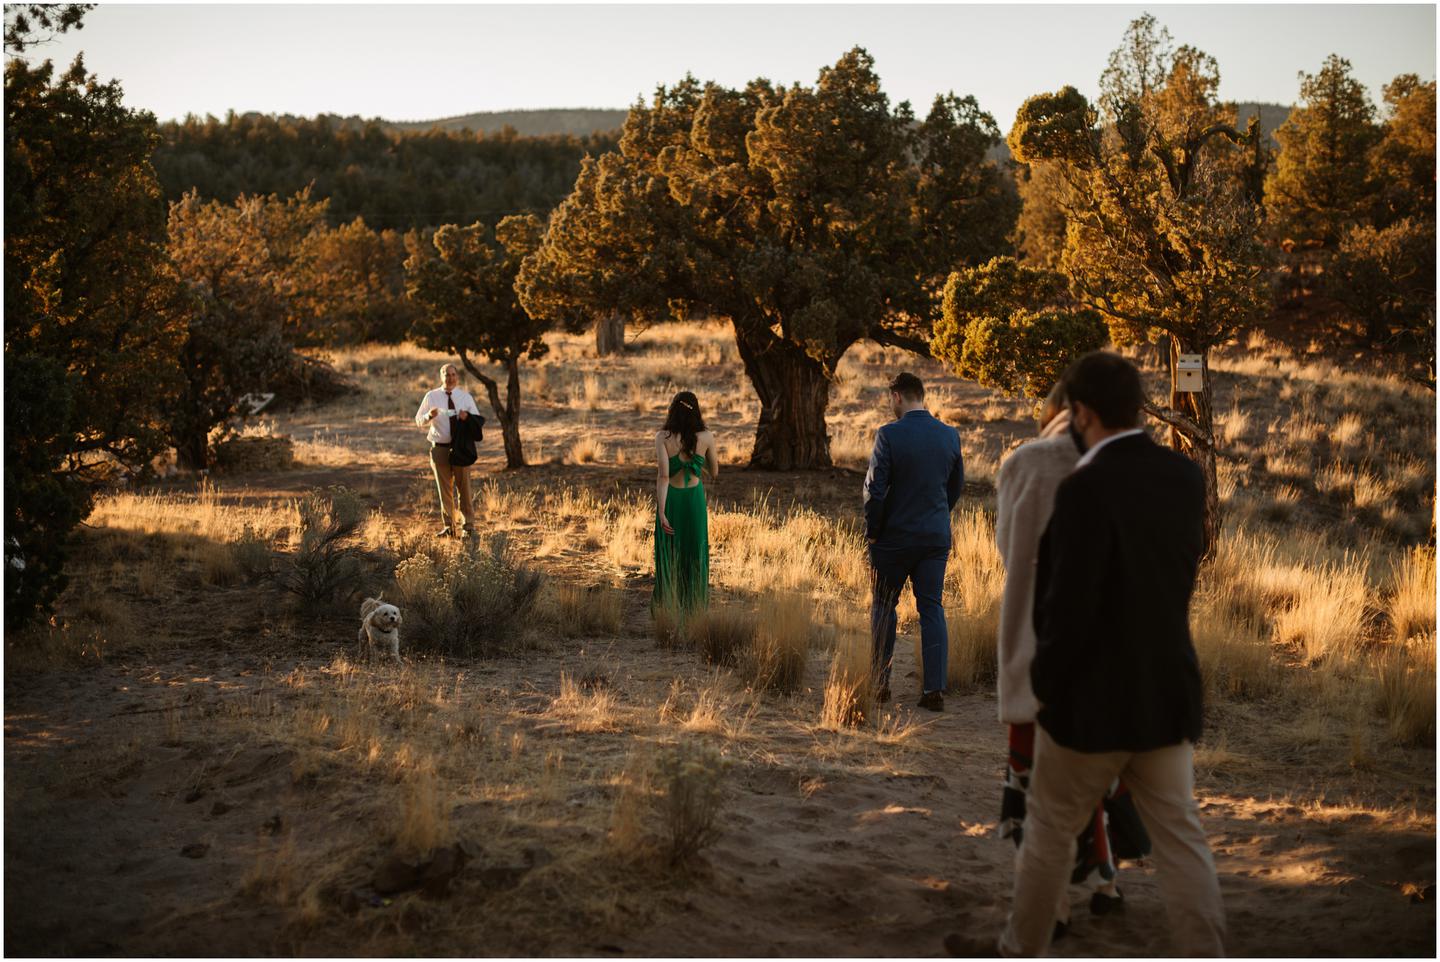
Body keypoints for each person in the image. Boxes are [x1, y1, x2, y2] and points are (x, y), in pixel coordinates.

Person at [948, 351, 1223, 957]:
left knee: (1047, 834)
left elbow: (1064, 607)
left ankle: (1022, 947)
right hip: (1165, 692)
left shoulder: (1081, 489)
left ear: (1083, 413)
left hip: (1089, 707)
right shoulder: (1185, 479)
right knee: (1183, 840)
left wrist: (1045, 684)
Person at [994, 381, 1141, 939]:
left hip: (1034, 648)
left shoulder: (1023, 463)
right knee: (1096, 777)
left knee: (1038, 788)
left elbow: (1008, 549)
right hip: (1104, 656)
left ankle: (1050, 907)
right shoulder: (1121, 466)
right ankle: (1105, 884)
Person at [863, 372, 964, 711]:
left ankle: (880, 684)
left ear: (896, 397)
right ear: (922, 395)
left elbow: (874, 490)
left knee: (883, 605)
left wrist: (873, 530)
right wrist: (937, 516)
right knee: (932, 608)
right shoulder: (950, 435)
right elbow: (955, 487)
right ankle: (933, 690)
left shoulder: (889, 435)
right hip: (935, 536)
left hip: (893, 538)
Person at [653, 391, 718, 616]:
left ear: (672, 410)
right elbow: (715, 471)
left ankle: (669, 608)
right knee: (695, 550)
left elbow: (663, 476)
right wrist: (697, 461)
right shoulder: (707, 437)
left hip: (671, 499)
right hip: (694, 501)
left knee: (670, 552)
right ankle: (695, 608)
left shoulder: (663, 437)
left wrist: (661, 512)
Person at [414, 362, 482, 537]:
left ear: (457, 377)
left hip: (461, 448)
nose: (450, 378)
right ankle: (449, 528)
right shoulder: (431, 396)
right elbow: (418, 420)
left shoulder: (465, 397)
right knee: (444, 490)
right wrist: (429, 415)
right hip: (440, 449)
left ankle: (468, 526)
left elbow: (478, 420)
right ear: (441, 376)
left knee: (464, 488)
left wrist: (466, 417)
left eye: (453, 374)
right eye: (446, 374)